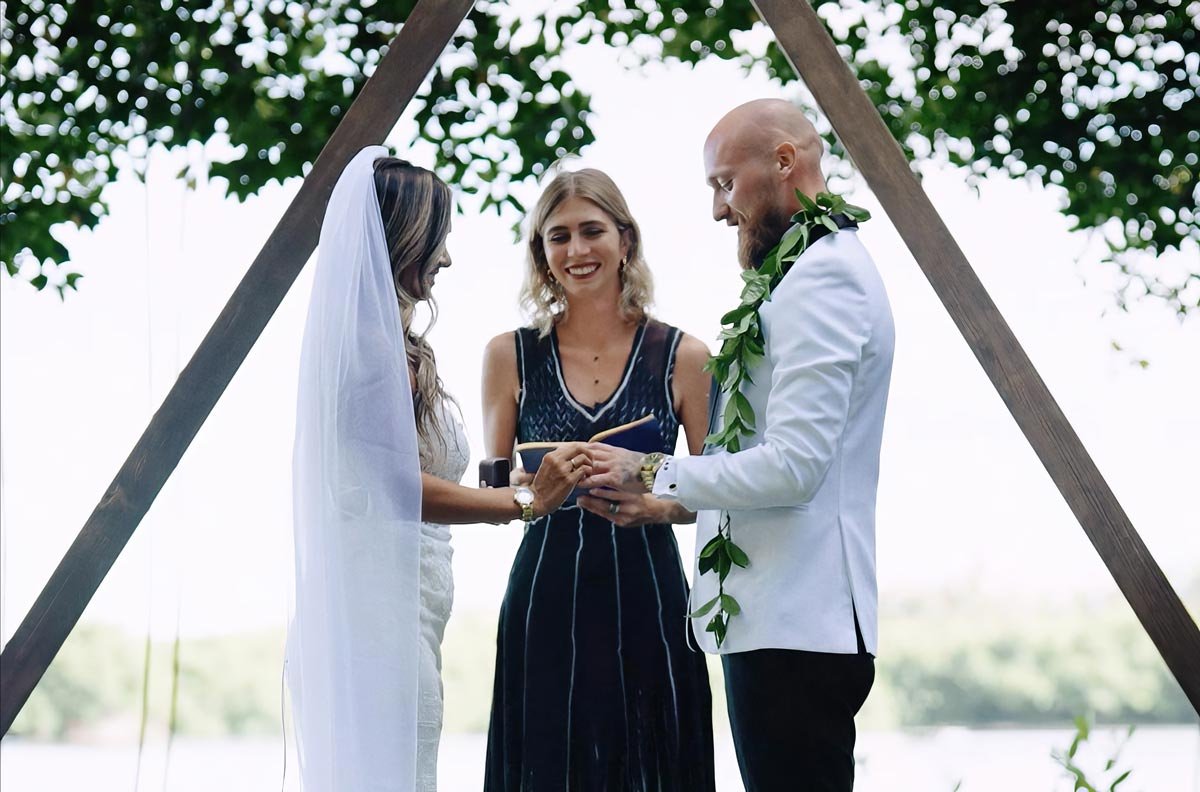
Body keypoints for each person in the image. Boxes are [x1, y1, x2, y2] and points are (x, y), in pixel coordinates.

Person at [583, 99, 896, 792]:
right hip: (776, 624)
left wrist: (654, 469)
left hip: (797, 624)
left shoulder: (825, 277)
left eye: (724, 183)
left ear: (784, 162)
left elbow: (795, 467)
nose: (719, 211)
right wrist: (668, 505)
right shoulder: (799, 272)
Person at [288, 146, 590, 792]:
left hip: (407, 608)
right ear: (402, 240)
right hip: (378, 617)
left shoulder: (386, 345)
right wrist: (529, 503)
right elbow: (395, 489)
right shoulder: (371, 355)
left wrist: (520, 480)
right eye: (438, 239)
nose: (447, 257)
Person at [480, 168, 716, 791]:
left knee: (657, 761)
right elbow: (494, 493)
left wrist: (656, 500)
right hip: (545, 592)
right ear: (541, 254)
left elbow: (719, 489)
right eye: (558, 237)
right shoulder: (508, 354)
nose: (577, 251)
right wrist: (538, 492)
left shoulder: (685, 356)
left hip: (651, 589)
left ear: (625, 241)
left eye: (592, 231)